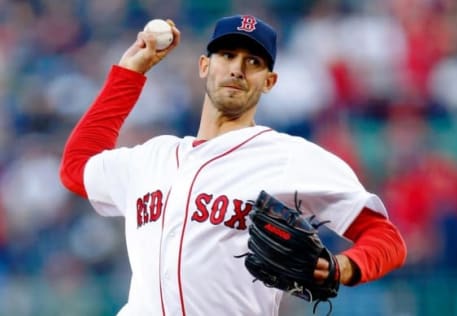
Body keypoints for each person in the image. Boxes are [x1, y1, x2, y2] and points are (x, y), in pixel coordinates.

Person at [59, 14, 407, 316]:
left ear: (269, 82)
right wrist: (129, 73)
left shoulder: (289, 156)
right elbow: (76, 167)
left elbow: (386, 238)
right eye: (227, 55)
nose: (238, 68)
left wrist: (343, 267)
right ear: (204, 66)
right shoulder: (152, 157)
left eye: (254, 62)